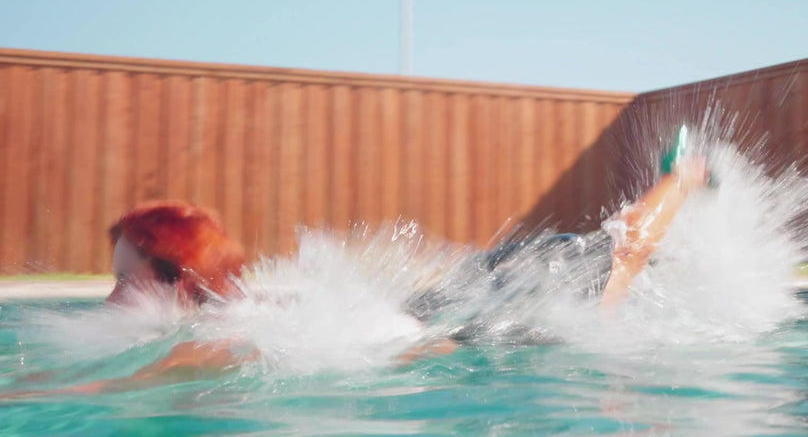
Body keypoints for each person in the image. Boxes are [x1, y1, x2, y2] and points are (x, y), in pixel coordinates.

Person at [16, 154, 710, 395]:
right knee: (608, 289)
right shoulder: (217, 328)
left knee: (620, 253)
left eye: (123, 279)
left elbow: (110, 386)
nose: (110, 298)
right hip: (453, 309)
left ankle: (683, 179)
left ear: (181, 283)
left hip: (478, 313)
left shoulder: (204, 345)